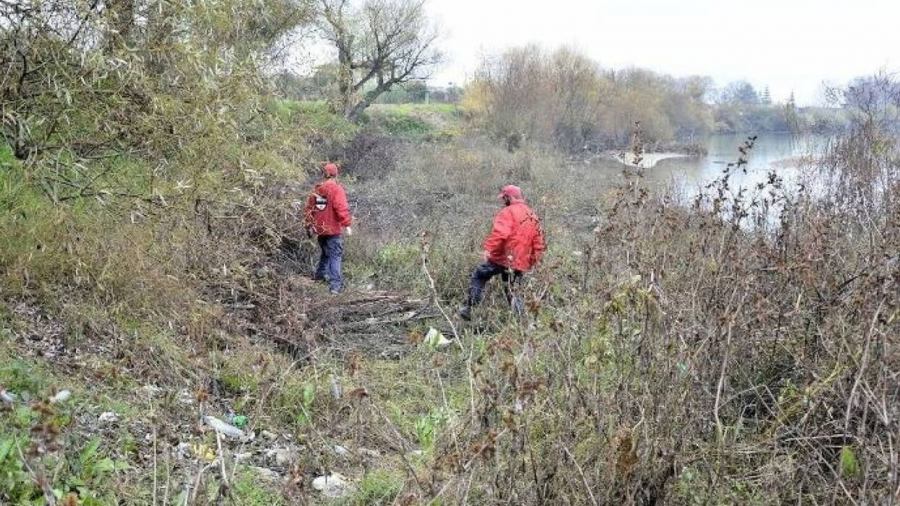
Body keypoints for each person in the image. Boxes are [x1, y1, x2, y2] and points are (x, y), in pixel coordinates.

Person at [459, 185, 545, 321]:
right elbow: (538, 243)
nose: (503, 201)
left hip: (502, 257)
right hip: (520, 261)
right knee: (513, 289)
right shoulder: (532, 215)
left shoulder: (508, 212)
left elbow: (500, 233)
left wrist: (488, 250)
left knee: (479, 275)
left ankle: (469, 308)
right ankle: (520, 322)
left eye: (504, 198)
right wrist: (533, 261)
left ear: (509, 198)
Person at [303, 162, 352, 294]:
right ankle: (335, 286)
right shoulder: (336, 189)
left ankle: (319, 276)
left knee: (326, 253)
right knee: (335, 255)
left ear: (323, 174)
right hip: (333, 230)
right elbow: (341, 208)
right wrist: (347, 224)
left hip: (320, 229)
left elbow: (309, 210)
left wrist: (308, 226)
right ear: (336, 174)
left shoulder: (317, 189)